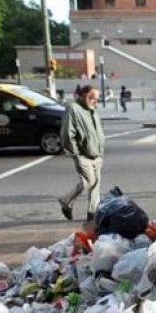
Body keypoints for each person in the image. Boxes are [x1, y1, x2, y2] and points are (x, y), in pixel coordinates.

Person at [58, 85, 105, 222]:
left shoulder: (92, 110)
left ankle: (92, 213)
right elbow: (67, 133)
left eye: (96, 99)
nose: (94, 101)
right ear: (82, 95)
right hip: (83, 154)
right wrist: (76, 154)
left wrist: (100, 151)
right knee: (88, 183)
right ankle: (66, 201)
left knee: (96, 184)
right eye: (92, 98)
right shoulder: (73, 108)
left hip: (96, 154)